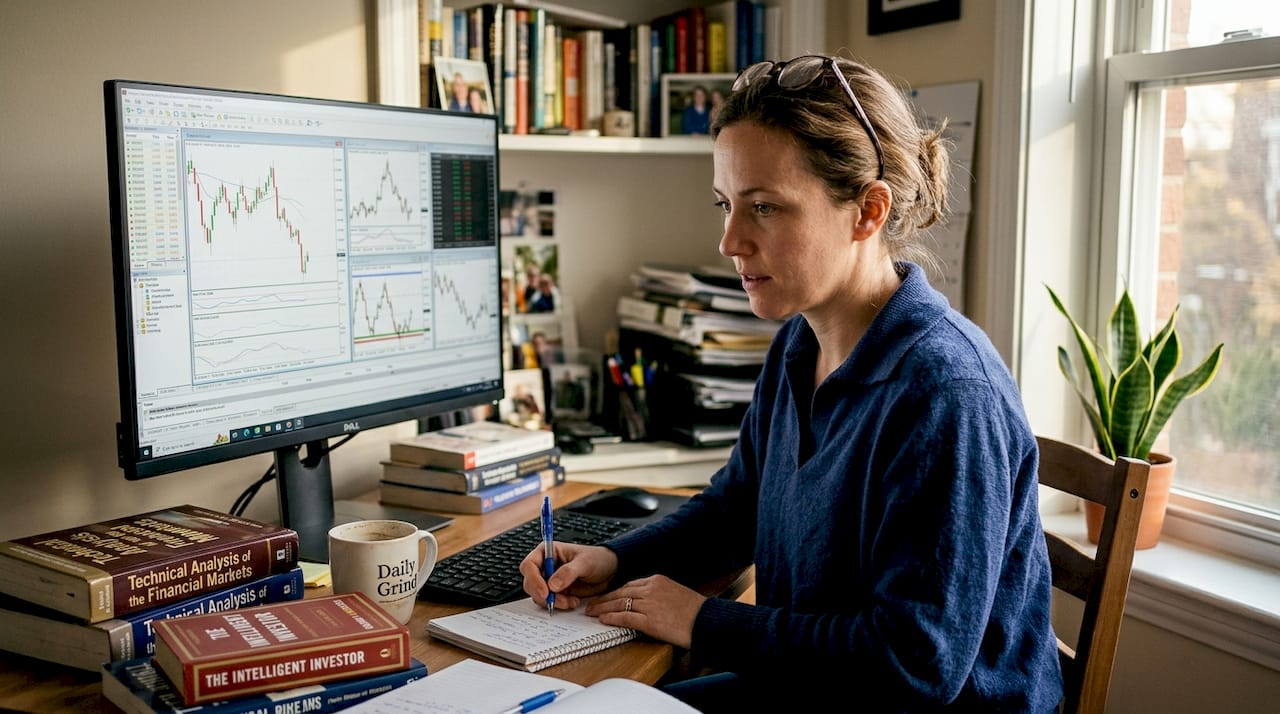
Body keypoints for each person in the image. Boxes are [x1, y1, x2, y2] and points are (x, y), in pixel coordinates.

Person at [520, 54, 1063, 712]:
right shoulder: (799, 345)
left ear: (867, 211)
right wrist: (613, 560)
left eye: (765, 208)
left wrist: (700, 620)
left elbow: (916, 665)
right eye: (726, 205)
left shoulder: (945, 393)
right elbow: (734, 510)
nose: (729, 241)